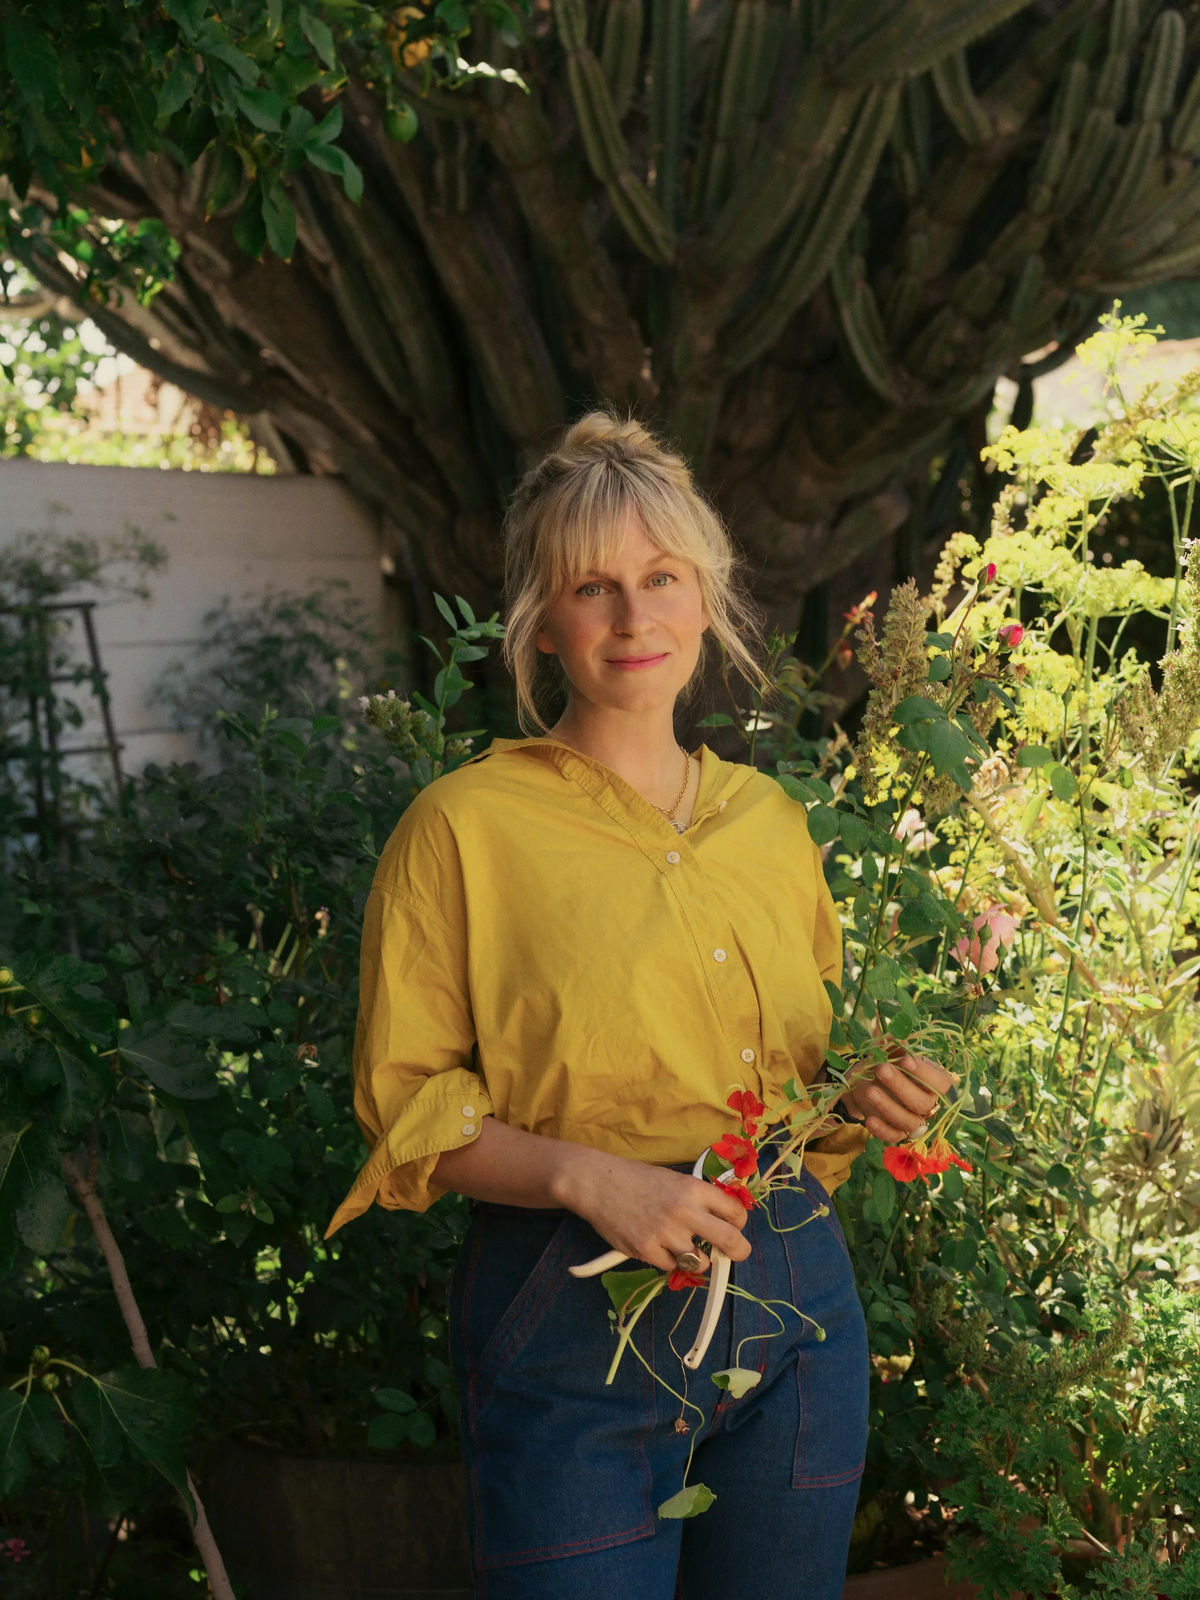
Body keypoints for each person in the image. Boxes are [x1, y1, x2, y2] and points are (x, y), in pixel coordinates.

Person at [325, 411, 953, 1599]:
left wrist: (872, 1099)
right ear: (542, 621)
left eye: (661, 577)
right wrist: (585, 1176)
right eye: (592, 586)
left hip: (795, 1297)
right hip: (569, 1312)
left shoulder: (768, 823)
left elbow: (803, 1096)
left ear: (705, 596)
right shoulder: (463, 829)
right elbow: (405, 1107)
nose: (633, 616)